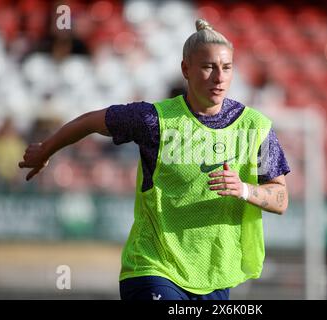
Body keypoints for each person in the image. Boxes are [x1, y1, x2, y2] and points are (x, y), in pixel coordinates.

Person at [19, 19, 290, 300]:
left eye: (227, 67)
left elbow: (280, 198)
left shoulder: (256, 128)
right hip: (153, 267)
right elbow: (91, 121)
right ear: (186, 69)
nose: (218, 77)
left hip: (214, 276)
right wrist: (46, 150)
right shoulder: (153, 119)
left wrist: (245, 190)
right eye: (208, 67)